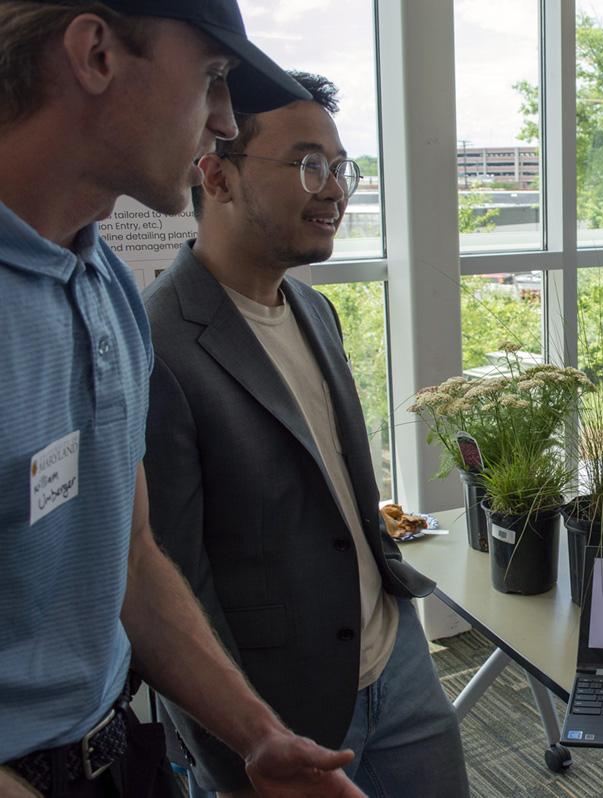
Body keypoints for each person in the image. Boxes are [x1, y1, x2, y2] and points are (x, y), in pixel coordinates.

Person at [0, 2, 367, 797]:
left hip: (113, 757)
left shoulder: (103, 286)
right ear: (95, 52)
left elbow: (132, 557)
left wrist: (259, 734)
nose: (225, 121)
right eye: (210, 79)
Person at [141, 72, 469, 798]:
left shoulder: (313, 311)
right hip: (285, 707)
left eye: (341, 167)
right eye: (308, 165)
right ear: (216, 175)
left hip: (397, 659)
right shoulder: (159, 346)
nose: (335, 190)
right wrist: (235, 760)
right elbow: (170, 586)